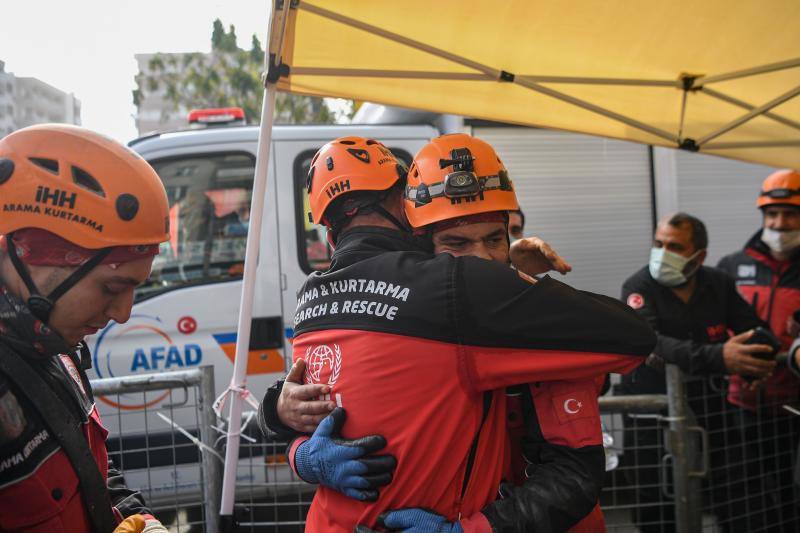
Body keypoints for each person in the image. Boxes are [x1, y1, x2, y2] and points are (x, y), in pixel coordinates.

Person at [259, 134, 655, 532]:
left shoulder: (311, 295)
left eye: (496, 239)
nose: (480, 258)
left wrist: (287, 432)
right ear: (413, 228)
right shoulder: (449, 291)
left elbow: (573, 474)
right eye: (456, 242)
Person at [0, 124, 170, 532]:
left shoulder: (54, 347)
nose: (124, 313)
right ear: (35, 258)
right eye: (112, 287)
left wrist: (138, 519)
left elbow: (86, 471)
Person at [617, 212, 773, 532]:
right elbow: (651, 343)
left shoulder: (719, 284)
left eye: (674, 246)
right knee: (656, 497)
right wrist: (721, 357)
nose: (662, 253)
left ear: (698, 255)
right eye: (658, 243)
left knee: (736, 493)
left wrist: (758, 355)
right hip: (652, 414)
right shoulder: (637, 287)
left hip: (709, 407)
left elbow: (753, 329)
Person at [717, 169, 800, 532]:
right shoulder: (733, 265)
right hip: (739, 404)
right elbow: (714, 323)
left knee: (789, 494)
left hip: (793, 408)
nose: (780, 223)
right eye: (772, 214)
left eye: (790, 214)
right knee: (741, 493)